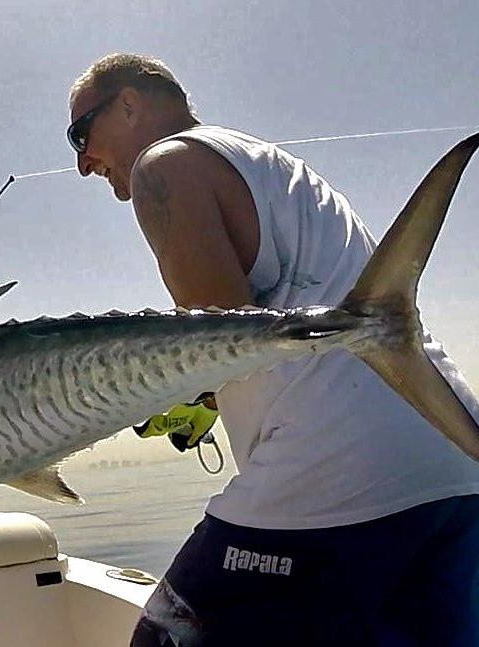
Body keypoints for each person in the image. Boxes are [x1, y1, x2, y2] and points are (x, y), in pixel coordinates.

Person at [67, 53, 479, 646]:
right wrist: (205, 399)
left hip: (334, 470)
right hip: (450, 458)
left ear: (129, 104)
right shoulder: (267, 166)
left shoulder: (165, 165)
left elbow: (221, 346)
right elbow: (261, 335)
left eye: (81, 133)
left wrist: (174, 389)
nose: (83, 163)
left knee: (168, 637)